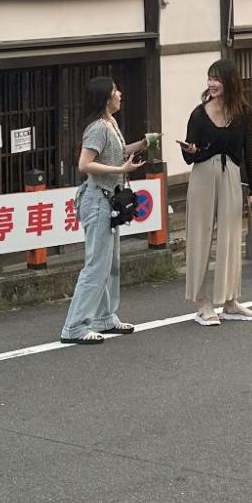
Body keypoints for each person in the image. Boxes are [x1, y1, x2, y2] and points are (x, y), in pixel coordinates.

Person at [59, 76, 153, 344]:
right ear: (105, 98)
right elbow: (84, 164)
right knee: (96, 265)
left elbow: (118, 152)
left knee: (110, 263)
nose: (120, 94)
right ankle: (74, 326)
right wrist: (121, 170)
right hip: (97, 201)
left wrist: (143, 144)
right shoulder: (98, 127)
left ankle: (104, 318)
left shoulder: (109, 124)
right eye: (115, 91)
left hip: (106, 201)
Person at [180, 59, 252, 326]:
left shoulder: (243, 112)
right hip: (203, 174)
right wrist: (190, 151)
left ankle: (230, 300)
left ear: (230, 82)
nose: (211, 84)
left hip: (231, 175)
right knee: (200, 235)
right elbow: (189, 156)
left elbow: (250, 153)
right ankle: (202, 302)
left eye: (216, 79)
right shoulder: (198, 113)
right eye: (209, 78)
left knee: (230, 237)